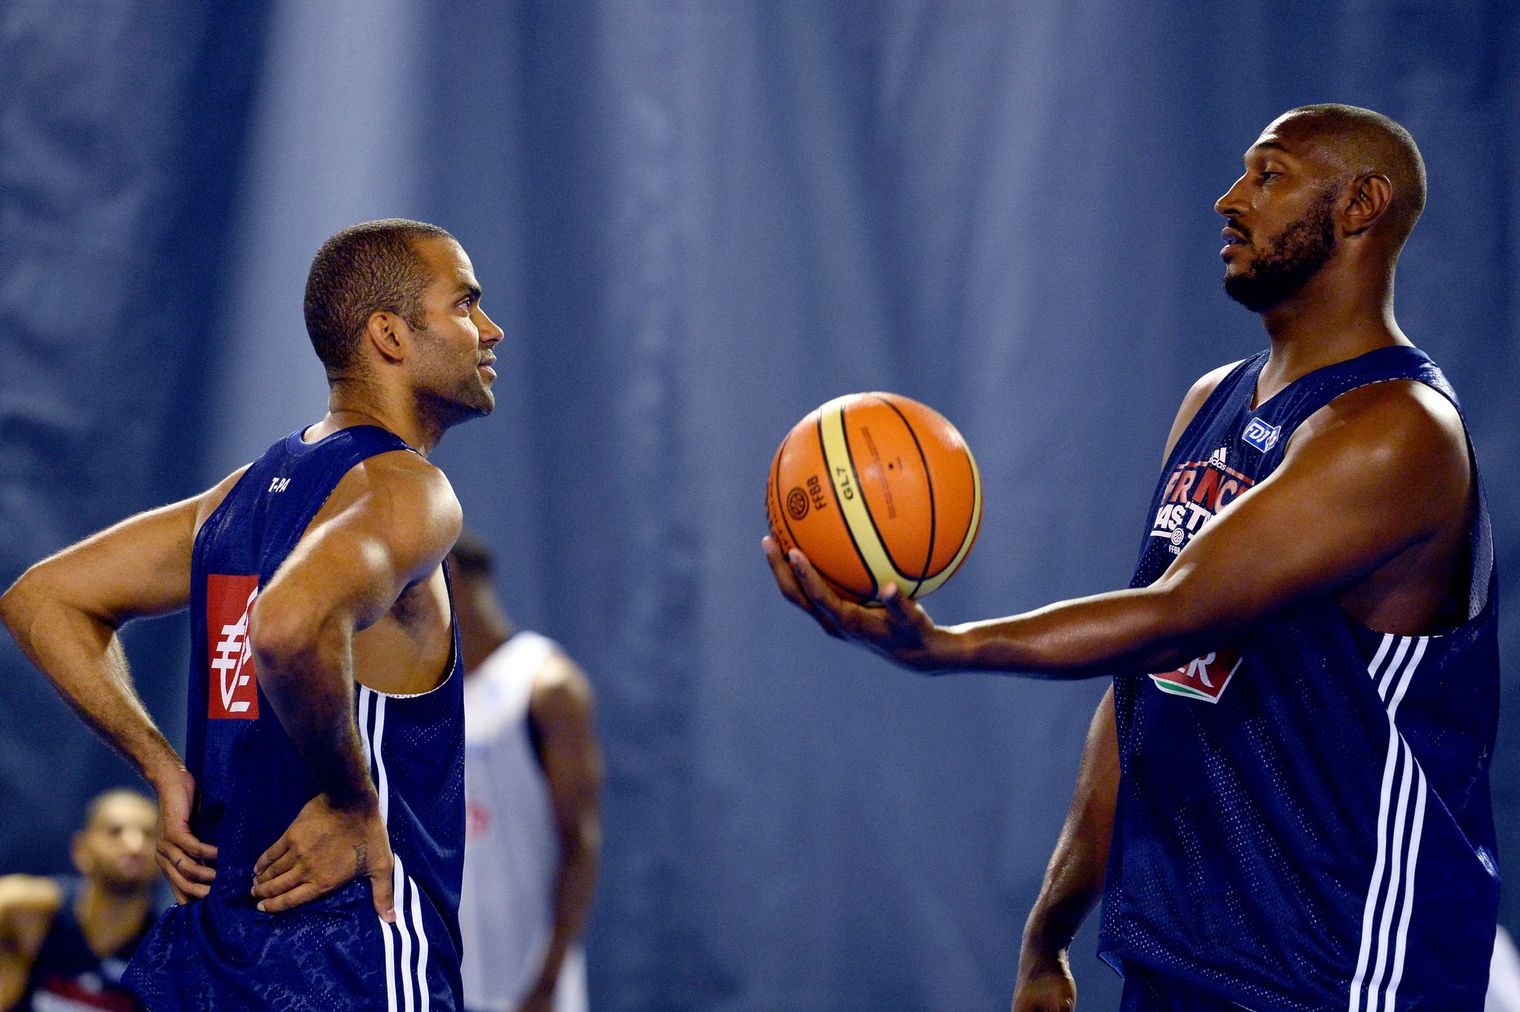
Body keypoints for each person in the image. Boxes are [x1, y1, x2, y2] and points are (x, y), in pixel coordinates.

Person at [763, 104, 1498, 1010]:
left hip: (1343, 967)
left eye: (1269, 175)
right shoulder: (1212, 405)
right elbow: (1151, 679)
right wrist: (1048, 934)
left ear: (1361, 206)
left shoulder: (1398, 433)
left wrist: (948, 647)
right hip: (1181, 951)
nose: (1231, 200)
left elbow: (1174, 614)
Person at [0, 218, 506, 1009]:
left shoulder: (235, 500)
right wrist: (350, 799)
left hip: (208, 964)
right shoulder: (410, 491)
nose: (489, 327)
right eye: (465, 303)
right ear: (389, 335)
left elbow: (43, 598)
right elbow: (285, 625)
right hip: (348, 957)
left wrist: (161, 767)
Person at [447, 531, 601, 1012]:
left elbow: (581, 844)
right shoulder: (424, 694)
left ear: (450, 577)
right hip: (443, 985)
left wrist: (547, 979)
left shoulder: (546, 685)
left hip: (525, 990)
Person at [0, 790, 162, 1010]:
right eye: (115, 832)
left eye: (149, 834)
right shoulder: (26, 912)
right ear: (81, 849)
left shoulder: (169, 951)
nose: (134, 845)